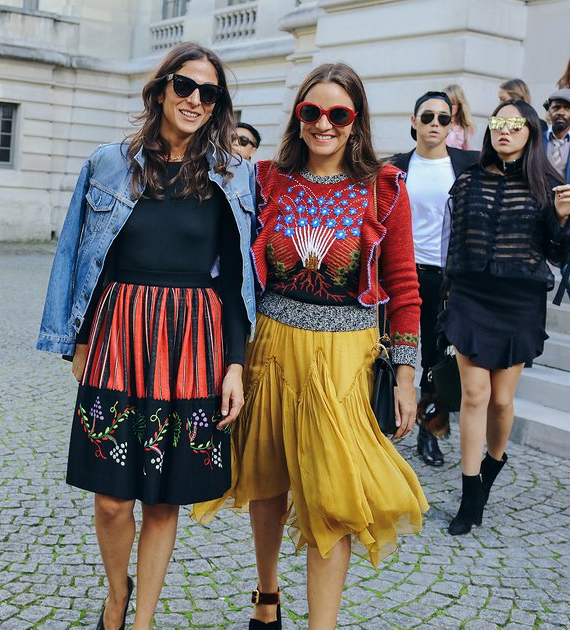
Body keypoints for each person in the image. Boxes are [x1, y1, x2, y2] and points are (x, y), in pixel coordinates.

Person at [192, 62, 428, 630]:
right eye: (312, 111)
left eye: (338, 114)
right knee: (268, 480)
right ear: (298, 117)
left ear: (356, 122)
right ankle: (266, 597)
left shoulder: (385, 187)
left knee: (333, 498)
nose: (324, 123)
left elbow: (403, 286)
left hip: (345, 358)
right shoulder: (267, 179)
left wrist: (405, 374)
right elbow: (233, 266)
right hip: (272, 349)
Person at [36, 42, 256, 630]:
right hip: (119, 332)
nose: (194, 100)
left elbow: (236, 282)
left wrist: (236, 364)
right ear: (160, 89)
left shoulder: (232, 178)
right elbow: (82, 255)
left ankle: (141, 620)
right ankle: (117, 594)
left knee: (164, 497)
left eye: (209, 93)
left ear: (218, 105)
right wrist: (77, 335)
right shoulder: (110, 163)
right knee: (111, 498)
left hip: (193, 342)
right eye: (185, 86)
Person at [439, 99, 570, 536]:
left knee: (500, 400)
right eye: (499, 123)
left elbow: (557, 255)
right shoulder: (469, 179)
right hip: (472, 295)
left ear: (530, 131)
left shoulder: (547, 185)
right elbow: (453, 243)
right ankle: (469, 490)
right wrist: (448, 298)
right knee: (474, 394)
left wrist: (564, 221)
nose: (505, 131)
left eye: (515, 125)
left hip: (519, 301)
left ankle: (493, 465)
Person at [389, 91, 479, 467]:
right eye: (428, 117)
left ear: (452, 124)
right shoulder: (395, 166)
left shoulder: (467, 165)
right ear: (414, 121)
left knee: (436, 360)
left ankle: (430, 432)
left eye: (444, 119)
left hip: (446, 278)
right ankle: (385, 420)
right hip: (401, 274)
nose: (435, 125)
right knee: (395, 351)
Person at [543, 88, 570, 183]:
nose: (561, 112)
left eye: (567, 108)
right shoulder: (536, 140)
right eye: (556, 107)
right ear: (548, 110)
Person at [443, 84, 475, 150]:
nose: (448, 107)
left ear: (459, 105)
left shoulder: (465, 128)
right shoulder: (438, 123)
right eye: (446, 103)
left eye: (452, 104)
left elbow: (466, 150)